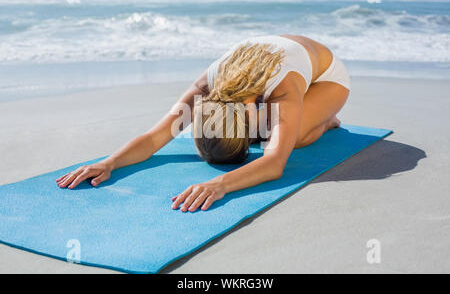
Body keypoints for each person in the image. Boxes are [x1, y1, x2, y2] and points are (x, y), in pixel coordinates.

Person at [56, 34, 350, 212]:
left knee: (289, 136)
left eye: (247, 137)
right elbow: (155, 137)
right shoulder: (204, 87)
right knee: (270, 130)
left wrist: (219, 184)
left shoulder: (282, 88)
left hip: (326, 77)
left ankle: (325, 120)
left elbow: (274, 164)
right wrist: (109, 163)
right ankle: (286, 122)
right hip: (277, 67)